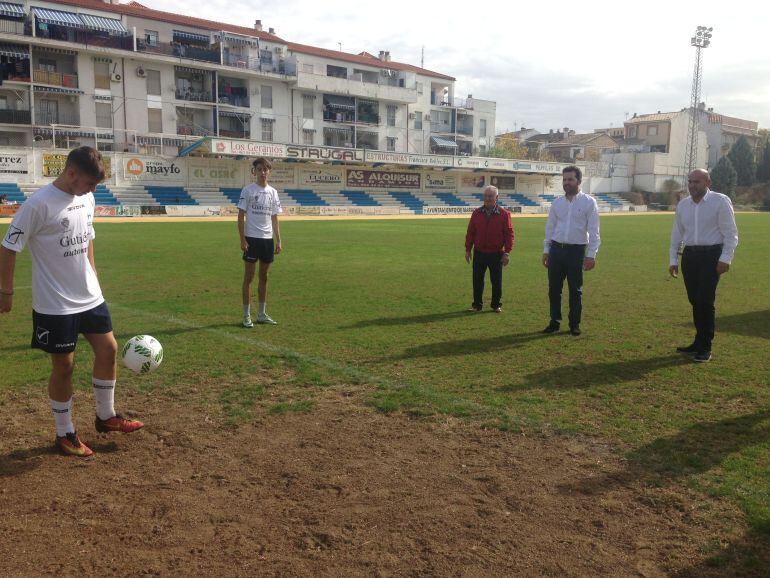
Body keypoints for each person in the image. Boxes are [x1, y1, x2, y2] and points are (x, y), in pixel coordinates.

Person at [0, 146, 143, 458]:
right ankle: (65, 433)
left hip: (89, 296)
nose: (93, 191)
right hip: (55, 303)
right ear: (72, 172)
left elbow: (87, 238)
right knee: (64, 366)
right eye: (90, 183)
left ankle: (106, 417)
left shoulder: (86, 197)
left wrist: (94, 278)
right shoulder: (38, 204)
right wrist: (6, 292)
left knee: (109, 349)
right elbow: (9, 246)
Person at [669, 168, 738, 362]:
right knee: (694, 300)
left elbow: (730, 233)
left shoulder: (720, 201)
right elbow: (677, 233)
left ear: (708, 183)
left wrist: (726, 258)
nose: (692, 185)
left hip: (711, 256)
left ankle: (705, 346)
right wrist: (673, 259)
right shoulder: (683, 205)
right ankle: (698, 342)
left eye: (696, 182)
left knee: (705, 301)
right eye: (690, 181)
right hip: (690, 256)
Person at [542, 165, 600, 336]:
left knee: (575, 290)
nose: (566, 183)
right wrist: (546, 250)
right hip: (556, 251)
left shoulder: (589, 202)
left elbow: (594, 231)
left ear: (579, 181)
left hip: (577, 251)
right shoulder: (557, 203)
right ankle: (554, 322)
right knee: (554, 289)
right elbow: (550, 229)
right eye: (564, 179)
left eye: (570, 179)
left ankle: (574, 324)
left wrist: (591, 255)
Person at [238, 157, 282, 327]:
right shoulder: (248, 191)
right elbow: (240, 216)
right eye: (259, 169)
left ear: (269, 171)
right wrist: (242, 239)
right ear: (254, 172)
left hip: (267, 240)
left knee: (264, 277)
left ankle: (261, 313)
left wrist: (278, 240)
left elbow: (275, 218)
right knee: (249, 277)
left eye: (265, 169)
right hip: (251, 239)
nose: (263, 173)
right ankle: (246, 315)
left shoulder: (273, 192)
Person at [464, 185, 514, 313]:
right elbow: (471, 232)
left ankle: (496, 304)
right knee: (477, 281)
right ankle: (477, 305)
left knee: (496, 281)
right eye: (485, 196)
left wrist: (507, 252)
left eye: (490, 196)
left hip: (496, 253)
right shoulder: (476, 213)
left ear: (496, 197)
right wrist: (468, 249)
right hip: (479, 253)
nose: (487, 198)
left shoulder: (504, 214)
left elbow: (509, 234)